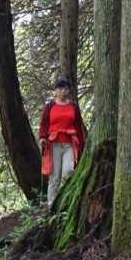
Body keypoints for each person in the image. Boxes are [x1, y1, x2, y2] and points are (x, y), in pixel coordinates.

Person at [39, 76, 86, 204]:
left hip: (69, 145)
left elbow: (78, 125)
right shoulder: (50, 106)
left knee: (68, 173)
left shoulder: (73, 106)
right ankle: (51, 204)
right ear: (55, 90)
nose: (63, 91)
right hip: (53, 144)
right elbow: (44, 124)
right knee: (54, 177)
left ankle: (65, 203)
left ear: (69, 90)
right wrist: (42, 137)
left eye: (65, 89)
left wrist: (81, 143)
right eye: (60, 89)